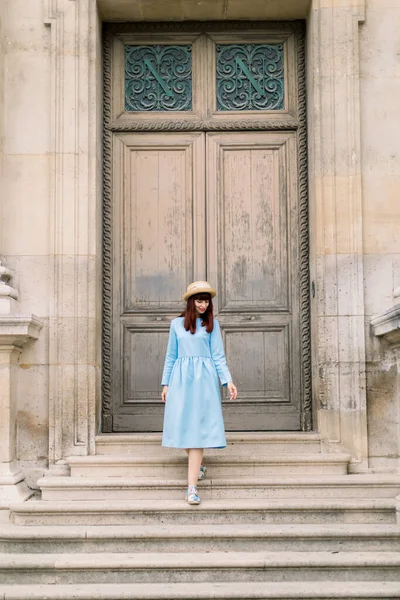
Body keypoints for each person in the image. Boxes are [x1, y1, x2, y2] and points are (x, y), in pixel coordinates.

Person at [161, 281, 238, 505]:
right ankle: (198, 467)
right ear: (191, 302)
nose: (203, 305)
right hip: (180, 379)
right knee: (181, 424)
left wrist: (228, 381)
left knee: (197, 430)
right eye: (199, 300)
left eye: (206, 301)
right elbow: (170, 356)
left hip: (204, 380)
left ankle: (191, 488)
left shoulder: (212, 325)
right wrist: (165, 383)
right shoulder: (176, 325)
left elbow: (218, 356)